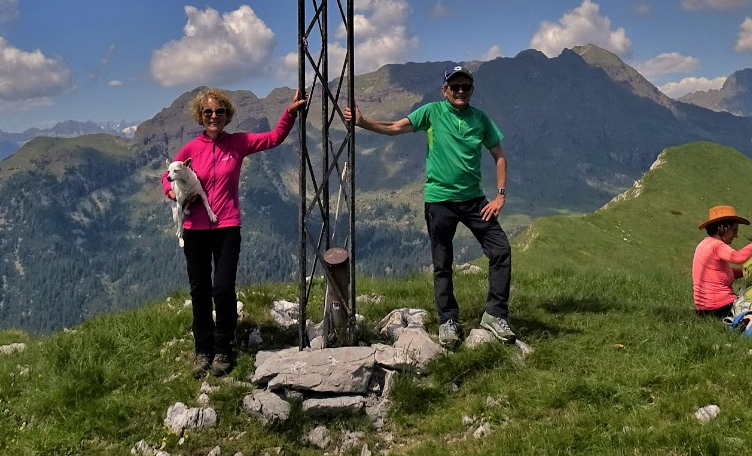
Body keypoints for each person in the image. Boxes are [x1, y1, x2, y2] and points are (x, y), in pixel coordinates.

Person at [343, 64, 514, 348]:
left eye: (465, 87)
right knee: (442, 263)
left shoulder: (480, 119)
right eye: (455, 87)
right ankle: (448, 320)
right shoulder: (431, 112)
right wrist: (362, 122)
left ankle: (495, 315)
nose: (460, 91)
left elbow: (499, 155)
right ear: (444, 90)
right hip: (439, 201)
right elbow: (395, 128)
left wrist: (500, 196)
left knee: (500, 250)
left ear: (472, 90)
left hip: (474, 200)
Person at [163, 87, 306, 379]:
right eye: (208, 112)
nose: (214, 116)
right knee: (199, 290)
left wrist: (288, 115)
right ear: (200, 117)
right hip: (194, 229)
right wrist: (173, 194)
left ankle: (223, 349)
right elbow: (167, 178)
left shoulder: (237, 144)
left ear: (227, 115)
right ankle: (203, 350)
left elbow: (272, 138)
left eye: (219, 111)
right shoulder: (190, 150)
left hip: (227, 225)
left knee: (223, 289)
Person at [692, 205, 752, 319]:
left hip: (704, 309)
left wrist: (746, 271)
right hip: (720, 307)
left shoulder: (704, 244)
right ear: (723, 228)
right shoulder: (716, 245)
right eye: (734, 230)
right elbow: (738, 257)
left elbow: (721, 273)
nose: (735, 235)